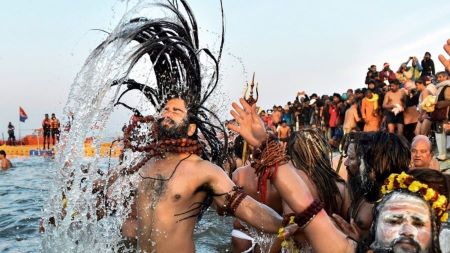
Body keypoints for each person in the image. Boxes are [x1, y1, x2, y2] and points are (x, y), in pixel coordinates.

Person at [432, 71, 450, 161]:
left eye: (440, 77)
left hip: (445, 115)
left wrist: (436, 104)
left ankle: (442, 155)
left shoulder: (447, 87)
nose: (438, 79)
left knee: (441, 133)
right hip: (440, 115)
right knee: (439, 134)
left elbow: (448, 101)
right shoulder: (440, 87)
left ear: (446, 77)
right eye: (438, 77)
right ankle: (442, 154)